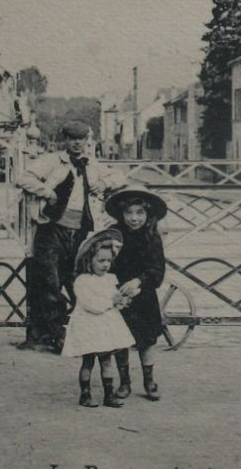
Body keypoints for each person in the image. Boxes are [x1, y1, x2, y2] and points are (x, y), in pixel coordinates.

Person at [13, 121, 121, 352]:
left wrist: (103, 183)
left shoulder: (92, 164)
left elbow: (118, 178)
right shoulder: (52, 161)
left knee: (77, 278)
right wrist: (48, 192)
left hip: (80, 230)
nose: (77, 143)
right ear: (65, 140)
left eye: (81, 139)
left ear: (87, 142)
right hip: (52, 229)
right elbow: (23, 178)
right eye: (72, 139)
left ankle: (81, 329)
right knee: (49, 281)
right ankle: (55, 333)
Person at [106, 183, 169, 401]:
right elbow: (103, 265)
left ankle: (149, 380)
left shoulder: (152, 236)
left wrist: (139, 281)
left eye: (140, 213)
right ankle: (124, 382)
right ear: (121, 214)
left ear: (148, 214)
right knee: (121, 339)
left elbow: (157, 270)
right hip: (120, 296)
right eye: (129, 213)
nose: (134, 218)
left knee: (147, 340)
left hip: (144, 295)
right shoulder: (114, 235)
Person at [62, 228, 134, 408]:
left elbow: (113, 300)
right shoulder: (82, 281)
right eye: (101, 260)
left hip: (106, 328)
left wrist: (122, 301)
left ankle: (108, 395)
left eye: (109, 260)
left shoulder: (110, 278)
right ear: (89, 260)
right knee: (88, 362)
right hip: (88, 326)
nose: (105, 264)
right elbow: (92, 305)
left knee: (106, 360)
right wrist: (111, 301)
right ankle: (85, 394)